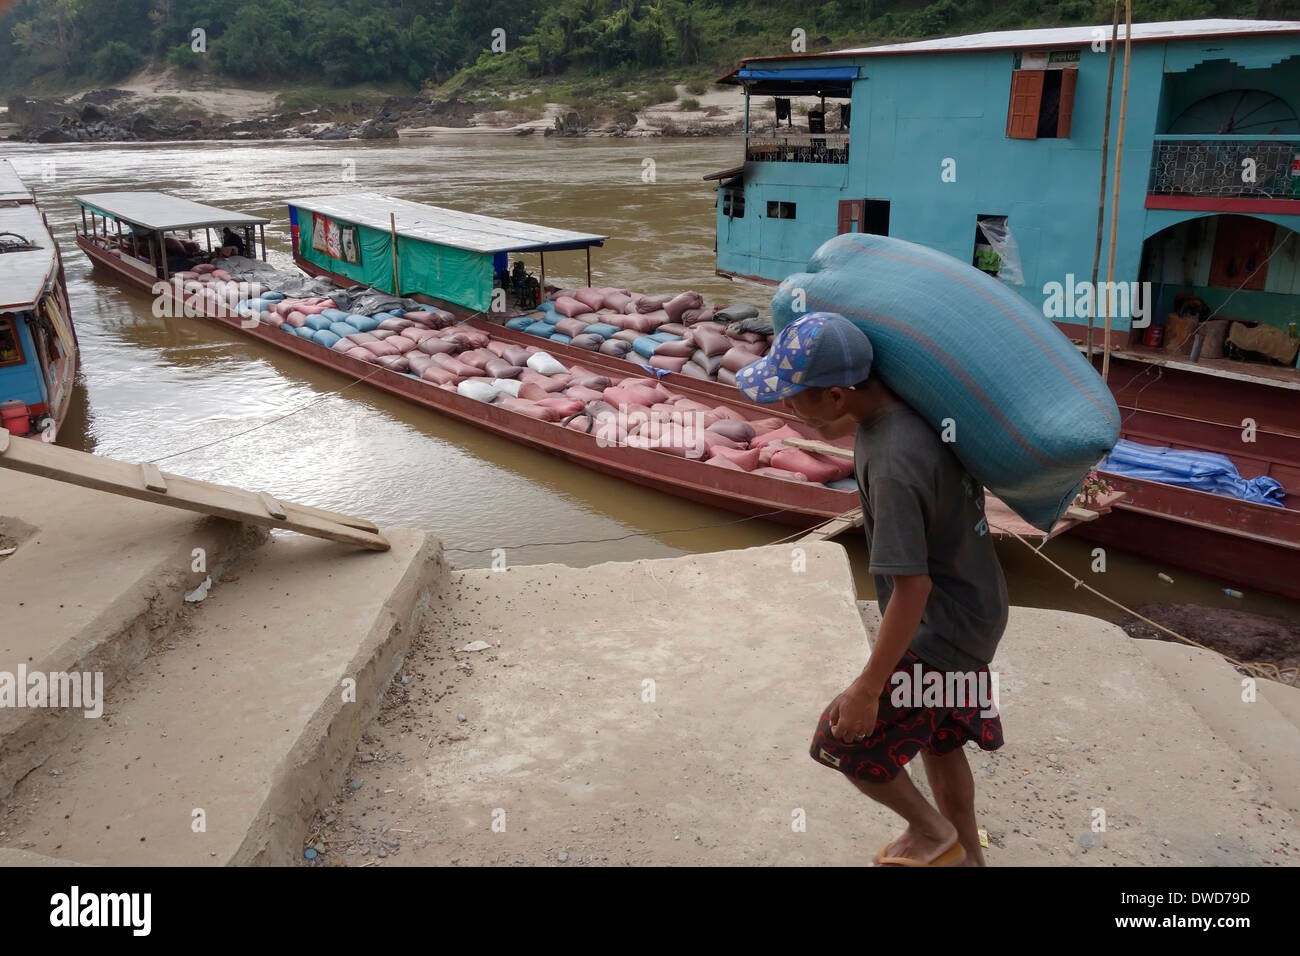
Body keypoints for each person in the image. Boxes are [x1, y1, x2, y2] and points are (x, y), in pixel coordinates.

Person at [737, 312, 1009, 867]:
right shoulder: (909, 417)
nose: (786, 410)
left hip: (940, 630)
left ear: (836, 395)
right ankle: (969, 861)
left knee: (841, 743)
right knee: (941, 737)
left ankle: (934, 836)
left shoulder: (890, 462)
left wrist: (868, 687)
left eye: (794, 399)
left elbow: (911, 588)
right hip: (978, 611)